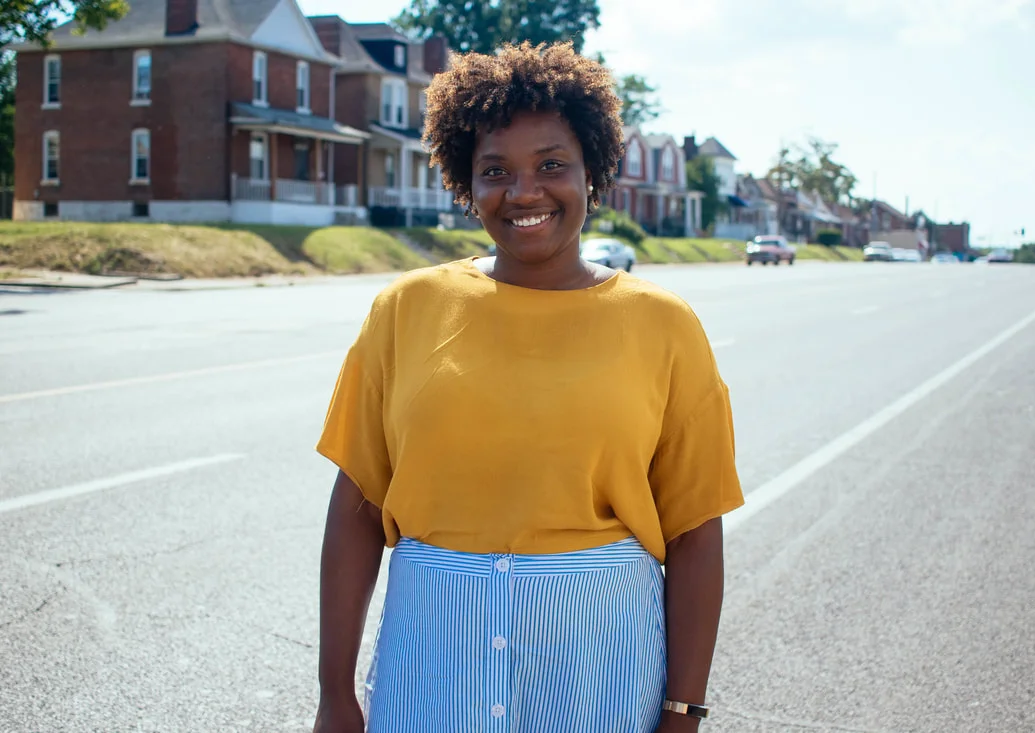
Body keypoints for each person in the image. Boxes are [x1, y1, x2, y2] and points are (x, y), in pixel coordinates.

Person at [313, 41, 744, 733]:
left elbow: (695, 531)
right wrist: (335, 692)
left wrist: (683, 711)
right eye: (495, 171)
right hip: (430, 654)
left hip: (599, 664)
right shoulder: (407, 308)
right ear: (466, 180)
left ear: (592, 172)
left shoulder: (664, 324)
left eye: (551, 165)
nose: (524, 192)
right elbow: (358, 506)